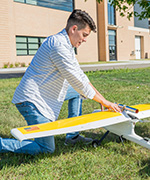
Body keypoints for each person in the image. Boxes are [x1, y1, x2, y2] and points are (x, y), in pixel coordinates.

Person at [0, 9, 120, 155]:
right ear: (74, 29)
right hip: (32, 101)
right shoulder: (58, 45)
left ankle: (73, 136)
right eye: (84, 35)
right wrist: (105, 102)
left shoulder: (66, 45)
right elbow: (77, 81)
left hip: (44, 94)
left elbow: (81, 77)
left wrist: (103, 100)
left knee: (77, 93)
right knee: (46, 149)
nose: (85, 40)